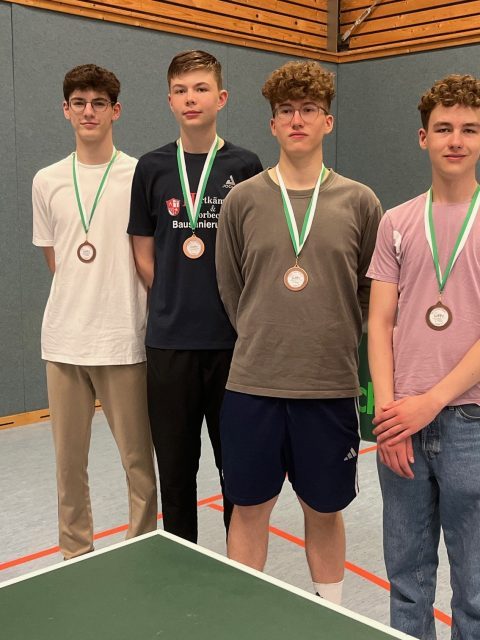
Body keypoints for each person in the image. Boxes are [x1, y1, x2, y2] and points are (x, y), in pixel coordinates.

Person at [215, 60, 382, 604]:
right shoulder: (243, 200)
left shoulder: (360, 201)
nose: (297, 119)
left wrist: (330, 333)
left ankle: (330, 616)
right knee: (248, 508)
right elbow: (231, 287)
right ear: (272, 125)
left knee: (324, 510)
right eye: (286, 110)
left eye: (309, 109)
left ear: (327, 122)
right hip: (253, 384)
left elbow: (370, 290)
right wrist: (265, 332)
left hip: (328, 386)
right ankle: (244, 616)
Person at [127, 50, 262, 544]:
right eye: (181, 90)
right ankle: (182, 563)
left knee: (237, 469)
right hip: (169, 343)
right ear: (169, 100)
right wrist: (172, 295)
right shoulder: (152, 167)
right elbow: (143, 251)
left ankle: (239, 565)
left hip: (233, 345)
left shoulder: (245, 165)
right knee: (176, 473)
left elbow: (256, 251)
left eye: (201, 89)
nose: (191, 98)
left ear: (221, 98)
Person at [368, 73, 480, 639]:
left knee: (476, 589)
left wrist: (431, 402)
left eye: (469, 129)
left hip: (471, 425)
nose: (455, 140)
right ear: (423, 137)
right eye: (443, 128)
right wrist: (389, 415)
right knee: (407, 582)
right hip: (402, 424)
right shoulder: (397, 221)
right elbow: (379, 321)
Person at [32, 64, 157, 559]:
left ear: (115, 111)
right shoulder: (46, 180)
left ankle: (142, 547)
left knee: (137, 462)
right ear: (66, 110)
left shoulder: (139, 175)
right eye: (80, 102)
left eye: (99, 103)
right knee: (68, 465)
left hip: (123, 338)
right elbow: (56, 260)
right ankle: (74, 554)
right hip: (63, 342)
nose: (89, 111)